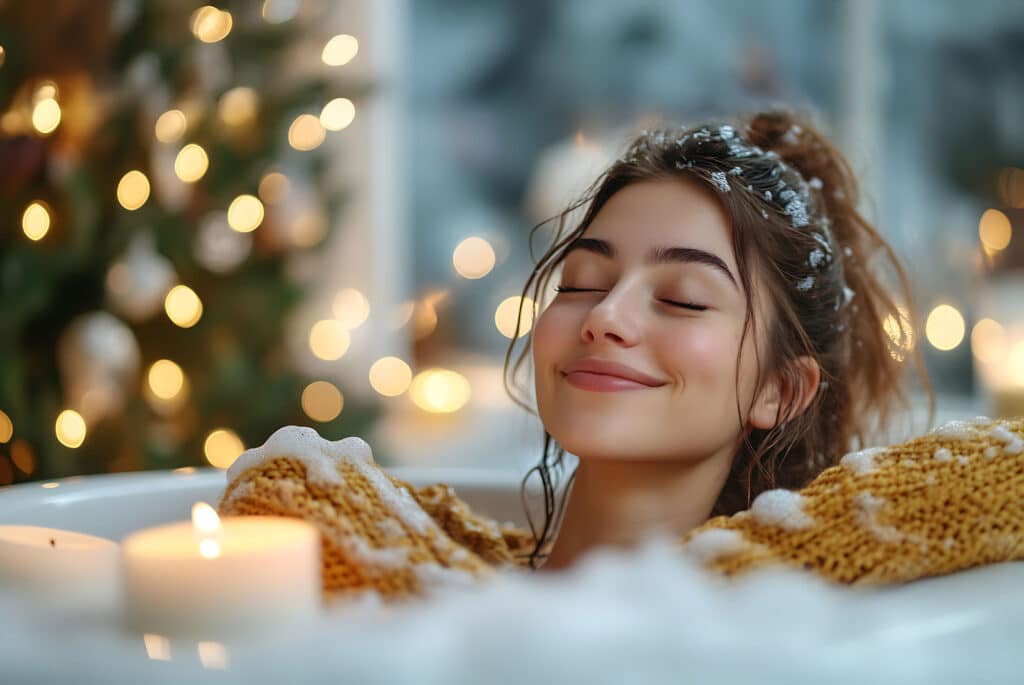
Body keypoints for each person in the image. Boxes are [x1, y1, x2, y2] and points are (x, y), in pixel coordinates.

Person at [503, 109, 932, 570]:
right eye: (580, 284)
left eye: (683, 300)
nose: (605, 314)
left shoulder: (770, 627)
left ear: (780, 390)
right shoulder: (432, 567)